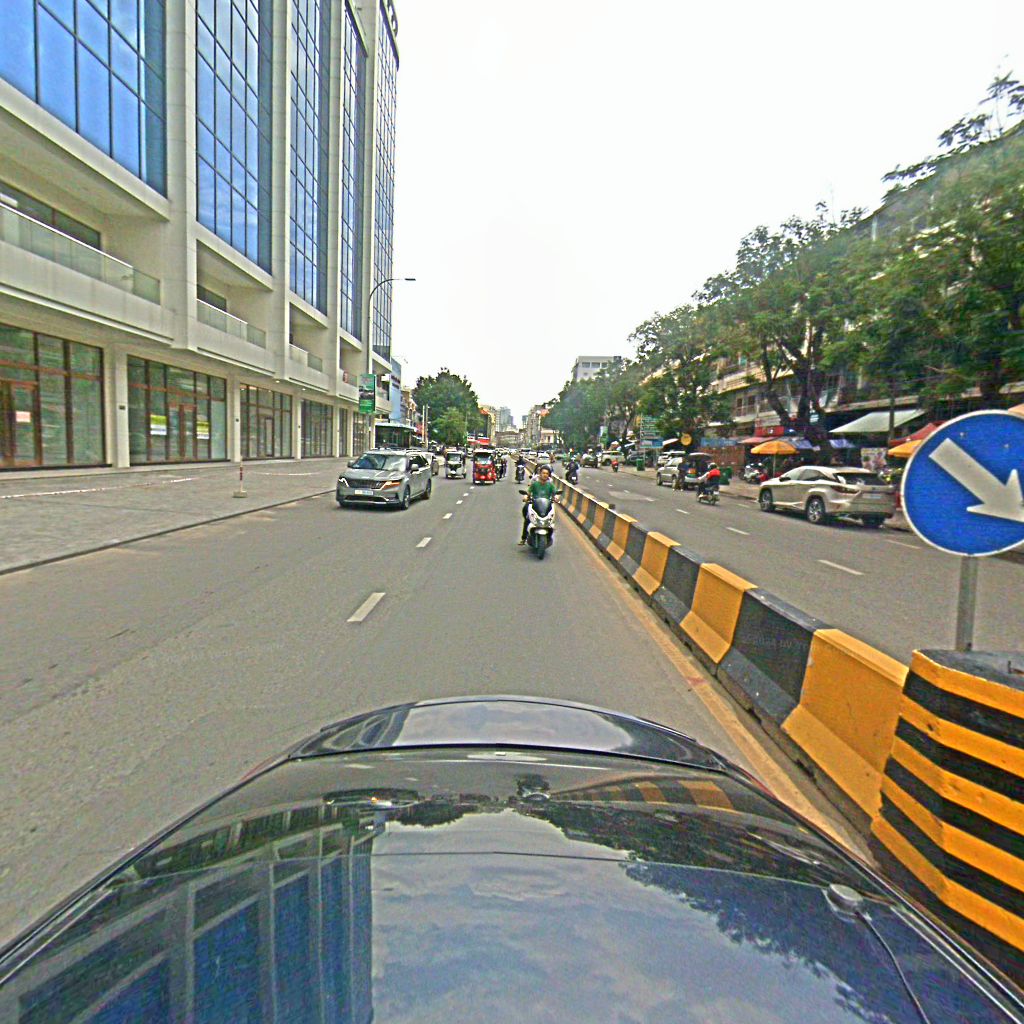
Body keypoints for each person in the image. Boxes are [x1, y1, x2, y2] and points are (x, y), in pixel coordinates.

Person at [520, 465, 557, 544]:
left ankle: (549, 535)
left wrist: (555, 498)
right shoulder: (535, 484)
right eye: (543, 473)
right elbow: (529, 492)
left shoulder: (550, 485)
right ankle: (524, 538)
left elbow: (554, 493)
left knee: (552, 519)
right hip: (535, 504)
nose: (545, 475)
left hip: (546, 505)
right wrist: (526, 497)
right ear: (540, 474)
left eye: (547, 473)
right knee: (527, 517)